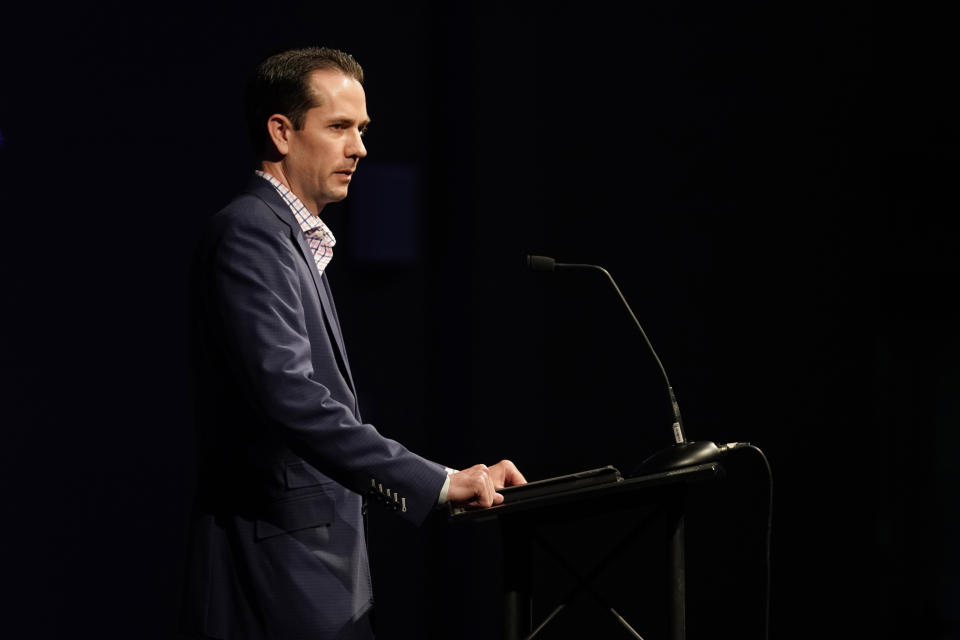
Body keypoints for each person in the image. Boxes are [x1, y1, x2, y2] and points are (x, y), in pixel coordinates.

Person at [179, 46, 526, 640]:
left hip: (313, 566)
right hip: (279, 571)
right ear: (281, 132)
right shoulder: (250, 232)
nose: (359, 148)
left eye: (361, 129)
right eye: (339, 127)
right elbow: (292, 398)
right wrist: (437, 482)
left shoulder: (288, 237)